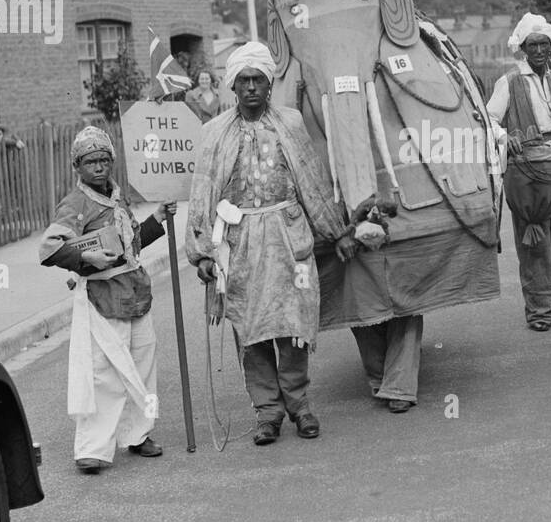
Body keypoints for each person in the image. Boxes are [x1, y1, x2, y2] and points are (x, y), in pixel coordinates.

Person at [186, 42, 355, 446]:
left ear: (269, 82)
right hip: (239, 244)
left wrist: (337, 231)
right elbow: (203, 193)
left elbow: (312, 182)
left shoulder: (291, 124)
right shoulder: (214, 134)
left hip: (288, 237)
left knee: (293, 325)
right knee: (252, 329)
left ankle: (299, 405)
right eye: (242, 81)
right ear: (232, 86)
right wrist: (203, 254)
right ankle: (268, 412)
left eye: (257, 80)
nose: (250, 88)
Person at [38, 126, 172, 474]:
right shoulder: (74, 203)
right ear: (77, 167)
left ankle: (138, 434)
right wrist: (86, 261)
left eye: (103, 160)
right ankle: (93, 448)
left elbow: (131, 245)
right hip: (101, 295)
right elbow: (50, 248)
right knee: (105, 373)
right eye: (89, 162)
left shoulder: (118, 197)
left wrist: (156, 220)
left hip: (135, 292)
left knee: (144, 363)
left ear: (111, 161)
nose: (98, 167)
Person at [487, 13, 551, 332]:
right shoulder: (510, 81)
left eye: (545, 44)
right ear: (523, 48)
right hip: (528, 173)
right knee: (535, 243)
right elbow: (488, 120)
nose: (540, 50)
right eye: (533, 45)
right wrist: (505, 137)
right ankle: (540, 311)